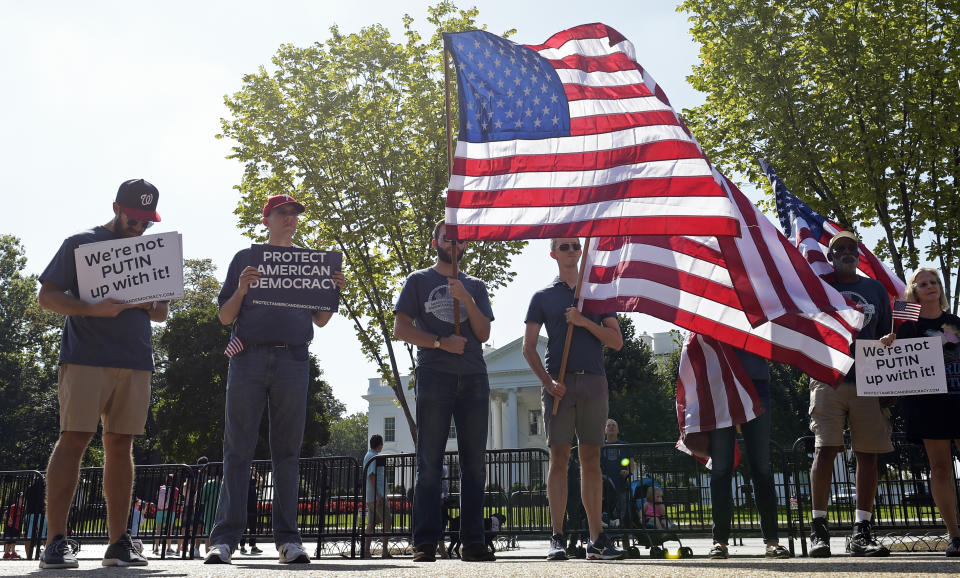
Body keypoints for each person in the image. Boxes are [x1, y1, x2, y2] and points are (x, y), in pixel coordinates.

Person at [205, 194, 345, 565]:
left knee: (287, 453)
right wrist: (242, 289)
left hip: (293, 358)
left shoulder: (310, 261)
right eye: (282, 213)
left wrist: (333, 289)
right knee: (237, 450)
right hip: (248, 356)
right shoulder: (245, 258)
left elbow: (321, 319)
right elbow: (224, 316)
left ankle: (288, 540)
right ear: (266, 219)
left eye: (294, 214)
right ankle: (224, 539)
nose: (290, 218)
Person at [37, 179, 166, 569]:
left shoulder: (152, 250)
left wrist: (148, 304)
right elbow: (47, 297)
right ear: (116, 207)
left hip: (136, 359)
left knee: (121, 444)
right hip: (85, 357)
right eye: (134, 218)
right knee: (74, 438)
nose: (140, 227)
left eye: (147, 221)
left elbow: (161, 312)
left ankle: (118, 544)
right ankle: (55, 542)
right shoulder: (79, 242)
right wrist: (94, 309)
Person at [393, 220, 495, 563]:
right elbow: (401, 328)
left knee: (475, 465)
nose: (453, 243)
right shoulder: (418, 281)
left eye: (459, 239)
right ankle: (424, 542)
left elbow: (482, 333)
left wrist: (465, 297)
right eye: (446, 237)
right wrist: (440, 342)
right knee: (429, 463)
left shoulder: (476, 286)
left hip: (474, 378)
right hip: (435, 375)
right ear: (435, 241)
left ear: (465, 246)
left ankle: (473, 541)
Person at [522, 238, 625, 561]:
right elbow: (528, 347)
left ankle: (597, 538)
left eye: (575, 245)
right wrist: (548, 382)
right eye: (564, 246)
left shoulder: (597, 294)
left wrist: (583, 321)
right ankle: (557, 538)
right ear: (553, 254)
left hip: (594, 382)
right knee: (560, 459)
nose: (570, 250)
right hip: (559, 385)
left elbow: (617, 341)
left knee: (591, 460)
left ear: (582, 252)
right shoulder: (542, 297)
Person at [807, 231, 894, 558]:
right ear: (829, 256)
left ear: (859, 255)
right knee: (825, 449)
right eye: (838, 248)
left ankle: (861, 531)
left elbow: (888, 334)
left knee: (868, 454)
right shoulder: (819, 288)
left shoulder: (874, 289)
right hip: (828, 377)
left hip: (869, 381)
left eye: (851, 248)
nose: (845, 252)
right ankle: (819, 530)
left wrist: (890, 382)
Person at [892, 268, 960, 556]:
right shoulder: (908, 324)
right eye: (923, 284)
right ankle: (955, 535)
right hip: (928, 404)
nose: (930, 287)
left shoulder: (955, 322)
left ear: (940, 290)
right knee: (940, 468)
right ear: (914, 291)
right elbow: (896, 357)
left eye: (934, 283)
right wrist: (888, 342)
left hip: (958, 399)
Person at [707, 350, 790, 559]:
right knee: (720, 468)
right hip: (720, 383)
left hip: (755, 382)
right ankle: (720, 542)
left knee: (761, 466)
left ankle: (772, 541)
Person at [362, 434, 392, 558]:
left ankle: (366, 551)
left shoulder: (368, 455)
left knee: (371, 524)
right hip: (377, 495)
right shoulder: (373, 456)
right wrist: (379, 495)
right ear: (379, 445)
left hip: (370, 496)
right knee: (387, 521)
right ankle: (384, 552)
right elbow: (371, 476)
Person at [601, 419, 632, 528]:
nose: (611, 427)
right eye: (608, 425)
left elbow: (631, 462)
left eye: (614, 425)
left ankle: (624, 537)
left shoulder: (625, 445)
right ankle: (607, 536)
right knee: (605, 511)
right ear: (604, 430)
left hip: (621, 484)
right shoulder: (600, 445)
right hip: (604, 487)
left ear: (618, 430)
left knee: (621, 512)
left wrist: (628, 472)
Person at [238, 470, 261, 555]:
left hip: (244, 505)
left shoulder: (242, 481)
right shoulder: (252, 481)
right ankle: (253, 546)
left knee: (243, 526)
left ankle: (242, 546)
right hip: (252, 506)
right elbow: (261, 481)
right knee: (252, 526)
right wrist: (256, 473)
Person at [3, 494, 24, 559]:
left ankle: (10, 553)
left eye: (22, 499)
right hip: (10, 526)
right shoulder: (13, 507)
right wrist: (8, 519)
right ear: (17, 500)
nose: (21, 501)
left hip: (16, 526)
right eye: (20, 499)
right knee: (9, 540)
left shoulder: (22, 507)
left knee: (13, 540)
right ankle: (8, 553)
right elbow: (6, 513)